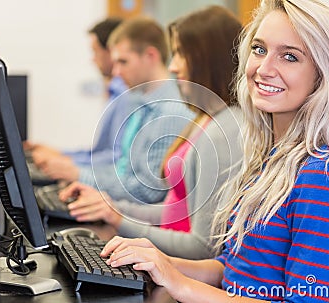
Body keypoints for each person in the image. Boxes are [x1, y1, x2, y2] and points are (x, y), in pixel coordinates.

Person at [98, 0, 329, 302]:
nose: (263, 69)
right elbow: (233, 269)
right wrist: (160, 262)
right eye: (259, 49)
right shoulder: (270, 157)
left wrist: (180, 284)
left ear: (323, 75)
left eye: (289, 57)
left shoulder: (324, 174)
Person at [59, 6, 244, 259]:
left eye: (180, 54)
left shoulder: (223, 131)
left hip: (180, 269)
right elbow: (174, 211)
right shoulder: (204, 120)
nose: (174, 66)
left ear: (206, 59)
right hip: (171, 259)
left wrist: (117, 219)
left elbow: (203, 247)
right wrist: (113, 210)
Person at [58, 17, 194, 203]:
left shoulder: (170, 113)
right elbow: (123, 170)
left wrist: (80, 175)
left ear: (150, 56)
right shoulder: (140, 103)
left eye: (123, 62)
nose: (116, 72)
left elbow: (148, 191)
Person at [28, 17, 128, 175]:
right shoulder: (115, 92)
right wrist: (60, 155)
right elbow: (100, 152)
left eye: (95, 52)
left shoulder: (125, 95)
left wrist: (66, 162)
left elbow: (116, 158)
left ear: (110, 51)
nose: (93, 59)